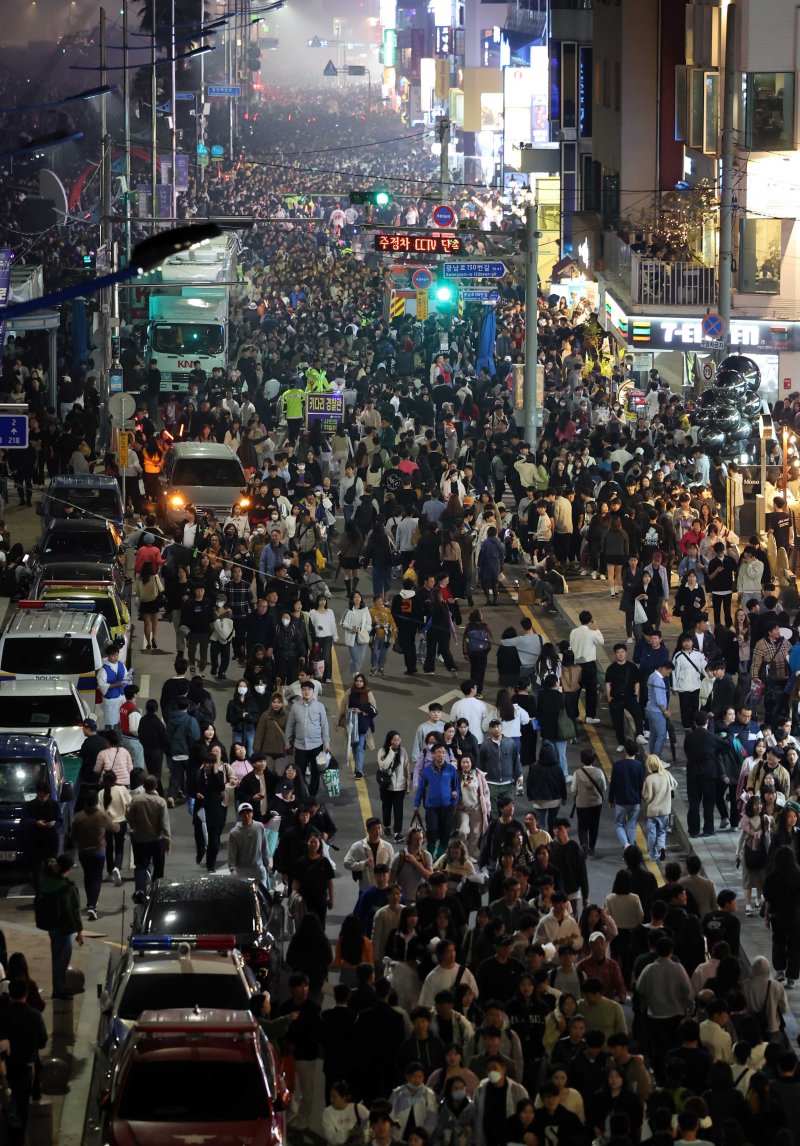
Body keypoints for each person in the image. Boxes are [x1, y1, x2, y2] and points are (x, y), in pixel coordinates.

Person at [0, 979, 47, 1146]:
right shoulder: (34, 1016)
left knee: (9, 1107)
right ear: (26, 994)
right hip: (26, 1068)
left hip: (7, 1068)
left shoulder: (3, 1017)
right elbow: (42, 1041)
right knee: (23, 1109)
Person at [35, 854, 84, 1000]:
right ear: (67, 869)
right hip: (64, 928)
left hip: (51, 926)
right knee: (62, 960)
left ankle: (58, 987)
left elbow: (46, 862)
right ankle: (59, 989)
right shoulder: (67, 888)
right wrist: (79, 931)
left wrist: (53, 864)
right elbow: (73, 911)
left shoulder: (46, 880)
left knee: (56, 957)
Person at [126, 775, 170, 902]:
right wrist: (167, 840)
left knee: (140, 866)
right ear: (156, 786)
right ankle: (157, 890)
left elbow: (129, 817)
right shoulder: (160, 801)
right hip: (157, 839)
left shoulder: (136, 800)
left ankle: (140, 890)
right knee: (158, 865)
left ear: (144, 786)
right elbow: (164, 823)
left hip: (140, 839)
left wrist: (135, 828)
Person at [285, 679, 331, 797]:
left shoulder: (320, 707)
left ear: (313, 691)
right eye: (304, 689)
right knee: (299, 772)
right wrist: (287, 741)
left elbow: (324, 725)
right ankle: (302, 794)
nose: (306, 692)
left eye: (309, 689)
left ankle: (312, 796)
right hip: (300, 746)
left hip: (317, 746)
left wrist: (326, 743)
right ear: (301, 691)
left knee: (316, 773)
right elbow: (290, 725)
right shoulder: (295, 707)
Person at [414, 743, 460, 860]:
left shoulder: (451, 770)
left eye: (443, 753)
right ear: (433, 754)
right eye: (438, 752)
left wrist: (454, 801)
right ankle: (430, 851)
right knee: (432, 830)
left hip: (447, 806)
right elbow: (421, 789)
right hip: (431, 807)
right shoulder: (427, 771)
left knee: (445, 831)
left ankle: (440, 854)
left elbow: (456, 788)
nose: (441, 755)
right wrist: (416, 804)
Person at [570, 748, 607, 858]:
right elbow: (603, 787)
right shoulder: (599, 772)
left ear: (582, 759)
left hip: (581, 803)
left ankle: (583, 844)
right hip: (596, 803)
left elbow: (573, 789)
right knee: (594, 825)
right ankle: (592, 847)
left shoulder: (577, 773)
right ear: (593, 759)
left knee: (582, 825)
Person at [608, 740, 645, 851]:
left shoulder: (617, 765)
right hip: (635, 801)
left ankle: (626, 845)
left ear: (625, 750)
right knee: (632, 825)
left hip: (621, 801)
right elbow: (641, 784)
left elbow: (613, 784)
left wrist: (611, 800)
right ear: (637, 751)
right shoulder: (639, 765)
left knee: (619, 824)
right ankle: (631, 848)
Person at [568, 610, 603, 724]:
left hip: (575, 664)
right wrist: (596, 627)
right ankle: (590, 716)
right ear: (590, 620)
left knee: (575, 691)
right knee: (591, 691)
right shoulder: (592, 633)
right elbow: (601, 641)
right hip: (589, 665)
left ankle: (574, 715)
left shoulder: (573, 632)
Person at [377, 730, 412, 842]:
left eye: (398, 739)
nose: (396, 742)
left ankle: (397, 832)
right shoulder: (382, 751)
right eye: (394, 739)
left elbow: (407, 768)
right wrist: (391, 753)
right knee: (386, 808)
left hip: (399, 787)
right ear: (389, 740)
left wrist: (408, 785)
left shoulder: (403, 751)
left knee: (398, 811)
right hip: (387, 786)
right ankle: (387, 826)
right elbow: (383, 766)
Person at [642, 754, 678, 862]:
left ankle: (653, 855)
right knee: (662, 831)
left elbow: (645, 795)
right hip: (665, 810)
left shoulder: (649, 779)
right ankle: (662, 846)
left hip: (652, 810)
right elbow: (674, 785)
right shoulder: (666, 774)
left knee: (651, 833)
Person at [227, 802, 271, 886]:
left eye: (248, 812)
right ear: (240, 816)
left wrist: (267, 862)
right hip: (242, 870)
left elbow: (264, 846)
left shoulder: (259, 827)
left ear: (252, 813)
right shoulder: (234, 833)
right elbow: (232, 853)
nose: (246, 815)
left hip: (258, 868)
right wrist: (232, 869)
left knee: (262, 894)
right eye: (243, 813)